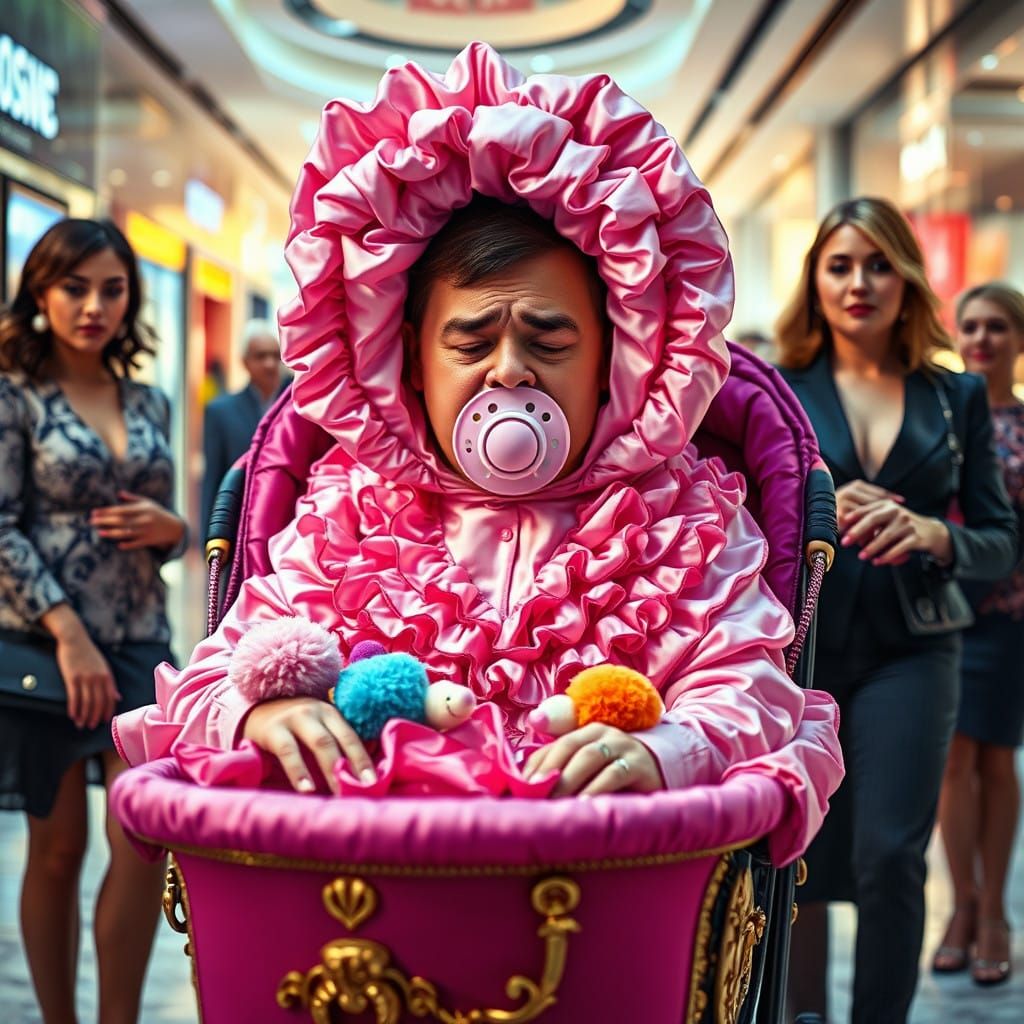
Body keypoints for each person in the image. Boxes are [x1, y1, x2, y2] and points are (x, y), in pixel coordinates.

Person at [114, 44, 842, 869]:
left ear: (615, 359)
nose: (509, 370)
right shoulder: (344, 514)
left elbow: (754, 685)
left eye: (549, 338)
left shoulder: (684, 520)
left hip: (607, 906)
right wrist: (259, 714)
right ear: (412, 364)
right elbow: (215, 674)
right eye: (471, 341)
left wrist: (669, 749)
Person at [776, 197, 1018, 1024]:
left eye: (879, 263)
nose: (859, 282)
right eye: (840, 264)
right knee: (797, 853)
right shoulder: (778, 391)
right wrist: (816, 510)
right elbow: (730, 517)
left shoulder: (957, 397)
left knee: (890, 856)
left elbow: (998, 541)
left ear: (907, 278)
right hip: (800, 650)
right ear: (814, 278)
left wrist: (930, 532)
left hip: (916, 646)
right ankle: (804, 1014)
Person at [0, 218, 187, 1023]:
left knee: (143, 843)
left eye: (112, 289)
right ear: (41, 292)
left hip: (142, 638)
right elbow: (1, 524)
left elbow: (174, 522)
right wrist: (68, 633)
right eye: (75, 287)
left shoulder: (149, 396)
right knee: (57, 852)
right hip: (50, 646)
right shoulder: (13, 394)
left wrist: (172, 529)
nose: (94, 305)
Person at [932, 282, 1024, 986]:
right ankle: (960, 906)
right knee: (952, 767)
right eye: (971, 326)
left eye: (997, 326)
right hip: (945, 611)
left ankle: (995, 910)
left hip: (1012, 618)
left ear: (1018, 340)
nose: (982, 338)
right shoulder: (938, 415)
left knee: (997, 765)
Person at [199, 319, 283, 541]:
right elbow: (213, 482)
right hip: (240, 534)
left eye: (276, 355)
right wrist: (209, 541)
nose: (269, 364)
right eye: (261, 356)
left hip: (287, 534)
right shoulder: (220, 412)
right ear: (245, 362)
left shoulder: (296, 409)